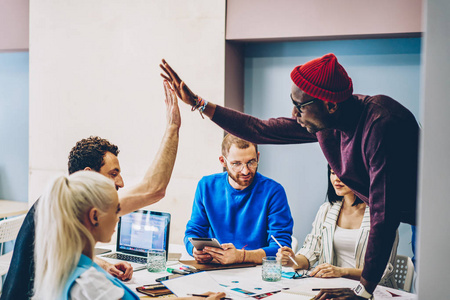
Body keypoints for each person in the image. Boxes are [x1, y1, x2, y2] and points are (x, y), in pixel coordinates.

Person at [161, 54, 419, 299]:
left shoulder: (382, 124)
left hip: (433, 219)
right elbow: (259, 129)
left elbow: (384, 216)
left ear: (329, 104)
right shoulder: (328, 123)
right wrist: (199, 103)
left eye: (299, 106)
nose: (294, 115)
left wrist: (362, 291)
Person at [1, 81, 181, 300]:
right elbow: (154, 189)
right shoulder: (69, 205)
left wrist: (99, 262)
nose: (121, 183)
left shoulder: (60, 203)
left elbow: (60, 255)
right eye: (113, 174)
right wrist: (173, 128)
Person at [33, 171, 226, 300]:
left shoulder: (65, 266)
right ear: (94, 216)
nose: (119, 218)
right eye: (116, 210)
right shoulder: (91, 286)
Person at [277, 166, 398, 288]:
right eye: (333, 173)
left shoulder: (381, 215)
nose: (336, 179)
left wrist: (341, 272)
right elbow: (311, 251)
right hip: (333, 289)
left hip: (371, 292)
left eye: (342, 173)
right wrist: (293, 260)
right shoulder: (326, 210)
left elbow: (383, 271)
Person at [184, 134, 294, 265]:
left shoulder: (273, 192)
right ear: (222, 161)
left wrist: (241, 256)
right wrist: (194, 250)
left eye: (251, 162)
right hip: (215, 268)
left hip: (258, 271)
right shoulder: (206, 186)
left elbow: (281, 249)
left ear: (258, 157)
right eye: (236, 164)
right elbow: (193, 232)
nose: (246, 171)